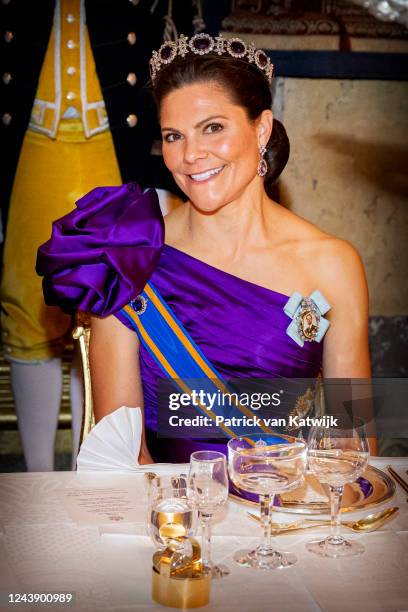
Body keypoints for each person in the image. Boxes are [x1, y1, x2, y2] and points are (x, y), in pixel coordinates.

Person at [37, 33, 372, 465]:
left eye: (213, 128)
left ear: (262, 128)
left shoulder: (332, 265)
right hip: (170, 516)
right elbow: (127, 454)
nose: (191, 154)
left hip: (286, 512)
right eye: (174, 136)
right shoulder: (127, 253)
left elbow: (353, 446)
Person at [1, 0, 189, 471]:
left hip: (116, 143)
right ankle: (38, 473)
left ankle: (96, 466)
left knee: (111, 304)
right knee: (26, 305)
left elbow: (173, 49)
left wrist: (160, 176)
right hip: (30, 143)